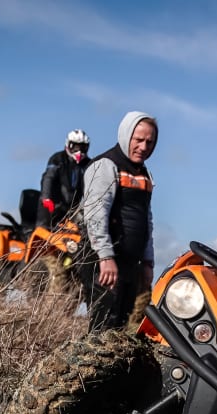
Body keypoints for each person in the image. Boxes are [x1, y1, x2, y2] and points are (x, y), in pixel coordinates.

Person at [79, 112, 157, 332]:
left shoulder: (144, 174)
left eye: (150, 142)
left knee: (120, 329)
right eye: (138, 140)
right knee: (103, 328)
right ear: (126, 135)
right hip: (105, 263)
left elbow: (146, 221)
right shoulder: (105, 165)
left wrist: (148, 262)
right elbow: (95, 213)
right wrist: (105, 256)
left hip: (131, 265)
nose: (144, 147)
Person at [36, 129, 91, 230]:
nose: (79, 151)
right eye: (75, 146)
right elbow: (48, 178)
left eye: (82, 147)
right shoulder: (57, 159)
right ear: (68, 145)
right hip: (52, 205)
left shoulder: (88, 164)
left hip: (72, 209)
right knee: (42, 232)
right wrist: (46, 198)